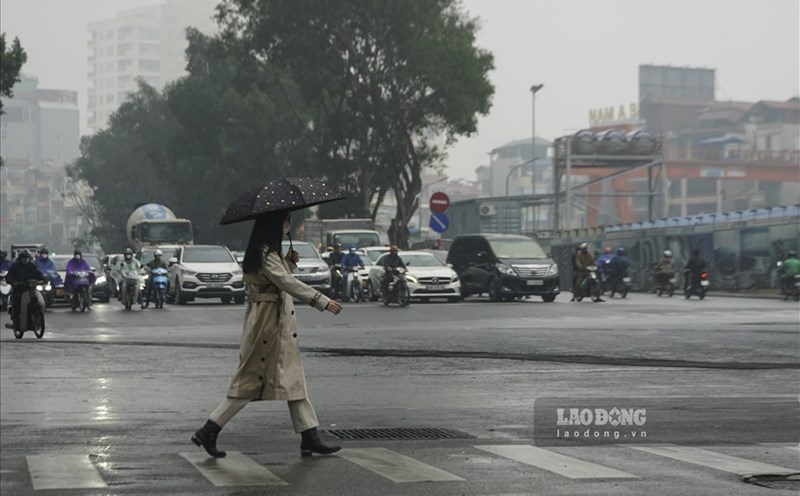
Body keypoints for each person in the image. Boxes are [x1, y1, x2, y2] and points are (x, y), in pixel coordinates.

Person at [191, 209, 343, 458]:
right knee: (250, 382)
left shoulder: (267, 252)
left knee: (294, 381)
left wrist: (289, 263)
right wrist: (321, 300)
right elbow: (285, 282)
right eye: (285, 220)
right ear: (274, 223)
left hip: (275, 321)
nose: (288, 224)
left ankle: (310, 436)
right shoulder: (267, 253)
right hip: (268, 324)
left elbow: (276, 278)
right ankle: (209, 429)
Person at [4, 251, 46, 330]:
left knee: (39, 300)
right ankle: (16, 322)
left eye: (27, 258)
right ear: (20, 258)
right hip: (19, 290)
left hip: (31, 290)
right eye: (24, 258)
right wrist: (14, 282)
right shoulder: (15, 267)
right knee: (17, 301)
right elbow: (9, 277)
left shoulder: (32, 266)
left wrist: (43, 279)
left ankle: (37, 320)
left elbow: (39, 274)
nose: (26, 259)